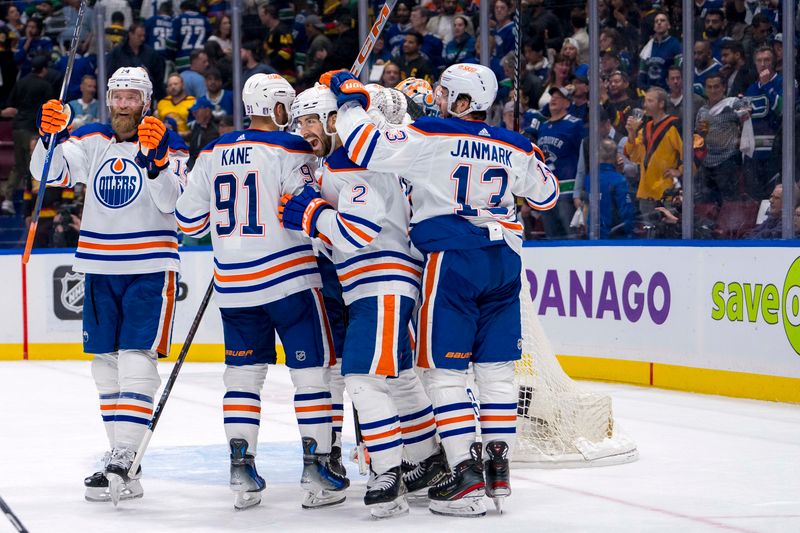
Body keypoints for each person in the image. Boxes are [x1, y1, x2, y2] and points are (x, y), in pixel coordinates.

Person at [323, 63, 558, 517]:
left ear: (465, 102)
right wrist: (531, 158)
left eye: (448, 93)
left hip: (453, 258)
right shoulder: (515, 144)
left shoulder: (432, 135)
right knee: (496, 372)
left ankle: (464, 473)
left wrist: (350, 100)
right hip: (506, 260)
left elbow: (365, 146)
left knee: (445, 374)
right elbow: (546, 196)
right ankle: (497, 469)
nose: (439, 100)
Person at [175, 73, 347, 511]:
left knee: (242, 378)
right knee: (312, 373)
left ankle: (241, 469)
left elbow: (188, 221)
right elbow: (308, 211)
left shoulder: (213, 150)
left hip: (233, 285)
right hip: (290, 279)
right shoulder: (292, 149)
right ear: (277, 108)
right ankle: (316, 466)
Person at [284, 84, 444, 518]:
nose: (305, 129)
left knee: (360, 378)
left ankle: (387, 474)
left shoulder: (349, 160)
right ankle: (429, 459)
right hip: (385, 280)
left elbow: (358, 231)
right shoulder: (355, 159)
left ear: (337, 119)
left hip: (381, 279)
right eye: (300, 121)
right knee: (399, 377)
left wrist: (309, 212)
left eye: (313, 119)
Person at [30, 66, 188, 504]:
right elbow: (49, 175)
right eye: (116, 96)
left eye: (130, 97)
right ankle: (123, 458)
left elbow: (176, 203)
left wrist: (156, 162)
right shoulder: (94, 139)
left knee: (137, 359)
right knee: (104, 365)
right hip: (99, 265)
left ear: (146, 101)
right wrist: (50, 137)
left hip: (149, 265)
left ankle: (124, 458)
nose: (122, 104)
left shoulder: (166, 141)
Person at [1, 55, 54, 216]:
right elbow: (51, 109)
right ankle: (33, 203)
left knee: (19, 166)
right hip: (33, 131)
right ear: (44, 69)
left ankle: (8, 200)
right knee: (35, 166)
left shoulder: (21, 82)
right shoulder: (45, 85)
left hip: (17, 128)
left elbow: (11, 103)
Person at [625, 87, 683, 218]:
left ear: (661, 104)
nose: (645, 105)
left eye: (650, 101)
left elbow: (691, 150)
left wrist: (680, 170)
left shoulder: (674, 125)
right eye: (645, 101)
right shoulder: (645, 128)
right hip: (646, 192)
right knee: (649, 234)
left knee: (669, 232)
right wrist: (631, 133)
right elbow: (634, 157)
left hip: (667, 192)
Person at [536, 86, 585, 238]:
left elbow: (583, 156)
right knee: (551, 235)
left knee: (570, 235)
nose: (554, 99)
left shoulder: (574, 124)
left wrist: (579, 189)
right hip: (547, 191)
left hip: (567, 188)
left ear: (567, 104)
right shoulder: (543, 126)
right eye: (552, 97)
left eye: (559, 97)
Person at [695, 73, 751, 203]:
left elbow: (747, 107)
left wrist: (742, 107)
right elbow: (699, 137)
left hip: (727, 162)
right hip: (707, 164)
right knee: (709, 204)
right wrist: (700, 133)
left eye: (716, 87)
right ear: (705, 89)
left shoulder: (731, 105)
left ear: (724, 88)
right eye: (709, 87)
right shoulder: (702, 111)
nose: (713, 90)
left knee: (730, 203)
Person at [584, 139, 635, 238]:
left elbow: (587, 208)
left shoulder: (589, 179)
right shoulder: (619, 180)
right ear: (616, 156)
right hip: (615, 237)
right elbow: (626, 212)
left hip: (594, 235)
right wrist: (629, 232)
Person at [106, 22, 167, 102]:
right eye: (139, 36)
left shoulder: (151, 54)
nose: (142, 39)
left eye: (143, 36)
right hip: (122, 98)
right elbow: (109, 75)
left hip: (144, 98)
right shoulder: (117, 53)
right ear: (131, 34)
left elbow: (158, 79)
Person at [638, 11, 682, 90]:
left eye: (662, 20)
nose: (659, 23)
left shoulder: (675, 45)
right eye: (656, 21)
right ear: (654, 27)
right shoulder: (648, 47)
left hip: (667, 92)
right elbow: (642, 74)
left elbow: (678, 71)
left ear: (668, 25)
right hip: (650, 92)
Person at [172, 1, 211, 72]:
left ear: (183, 9)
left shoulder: (178, 19)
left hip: (183, 60)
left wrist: (172, 56)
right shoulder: (205, 20)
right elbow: (209, 39)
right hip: (201, 60)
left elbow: (171, 42)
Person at [156, 73, 196, 139]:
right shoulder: (162, 103)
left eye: (176, 84)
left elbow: (197, 127)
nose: (173, 87)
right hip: (166, 142)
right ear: (167, 88)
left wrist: (180, 135)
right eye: (170, 85)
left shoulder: (193, 102)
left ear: (183, 85)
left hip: (186, 142)